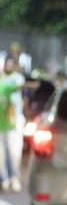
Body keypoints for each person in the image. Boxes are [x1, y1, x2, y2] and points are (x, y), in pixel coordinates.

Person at [0, 55, 25, 192]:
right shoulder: (1, 79)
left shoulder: (16, 78)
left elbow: (19, 86)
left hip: (13, 120)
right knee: (1, 154)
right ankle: (5, 179)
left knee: (14, 152)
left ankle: (15, 178)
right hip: (1, 121)